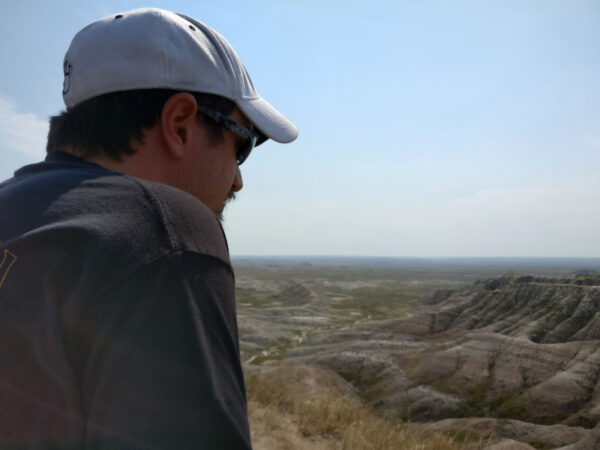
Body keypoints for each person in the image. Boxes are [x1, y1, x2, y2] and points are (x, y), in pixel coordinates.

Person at [0, 8, 297, 450]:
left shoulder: (13, 208)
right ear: (179, 124)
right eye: (243, 146)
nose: (237, 179)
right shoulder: (166, 234)